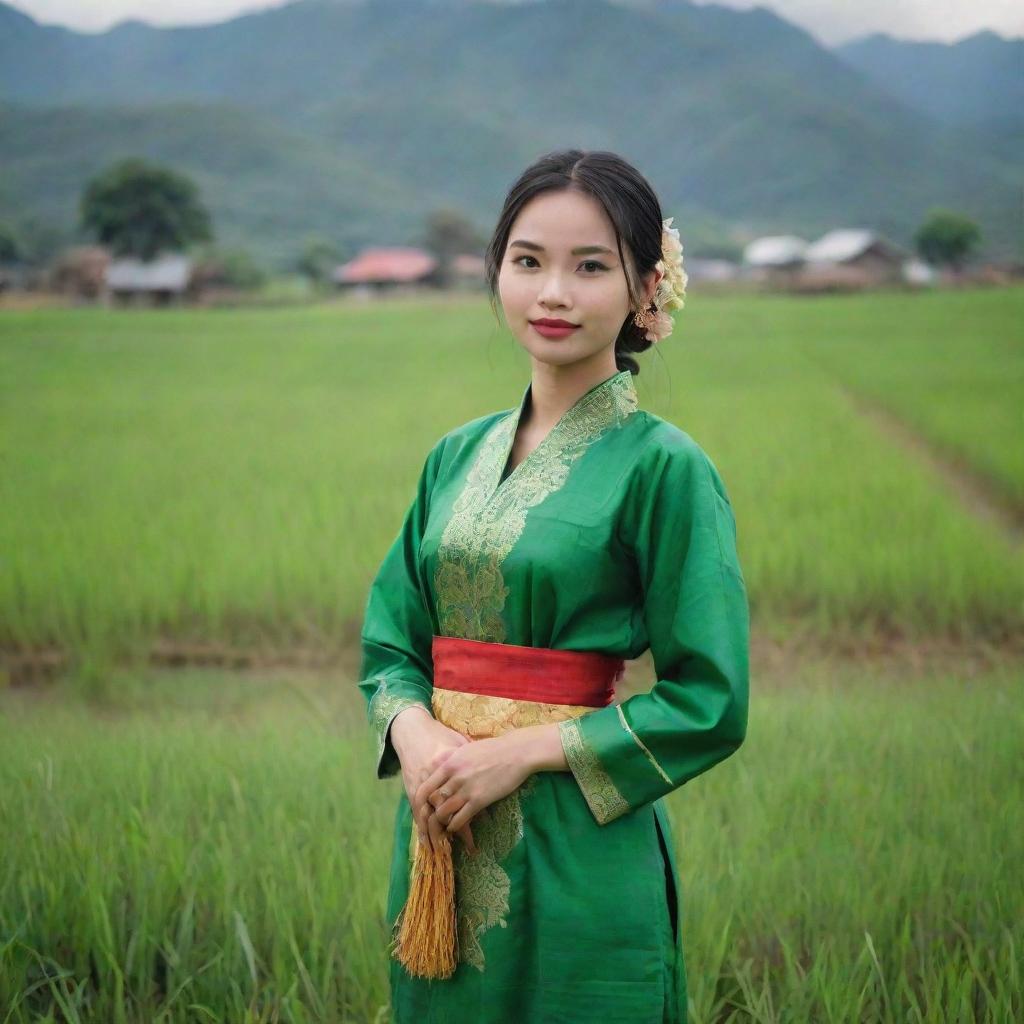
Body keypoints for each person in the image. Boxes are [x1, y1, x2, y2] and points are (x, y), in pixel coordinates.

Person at [357, 148, 749, 1023]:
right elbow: (391, 640)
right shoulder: (453, 458)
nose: (553, 294)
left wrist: (524, 751)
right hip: (442, 837)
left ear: (648, 287)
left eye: (591, 266)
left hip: (581, 843)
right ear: (496, 268)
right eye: (528, 261)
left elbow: (710, 700)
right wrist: (417, 735)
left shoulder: (667, 471)